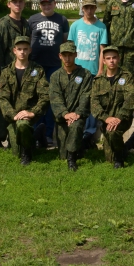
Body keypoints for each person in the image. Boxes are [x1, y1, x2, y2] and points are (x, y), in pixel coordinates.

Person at [0, 35, 48, 166]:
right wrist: (14, 115)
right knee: (15, 151)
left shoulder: (38, 70)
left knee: (23, 126)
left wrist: (32, 112)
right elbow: (2, 98)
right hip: (13, 115)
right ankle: (36, 135)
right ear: (14, 51)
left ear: (30, 50)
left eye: (25, 49)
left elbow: (45, 96)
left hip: (30, 113)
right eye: (19, 49)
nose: (22, 52)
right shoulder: (6, 72)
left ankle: (27, 153)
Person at [0, 0, 32, 149]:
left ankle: (14, 135)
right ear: (9, 4)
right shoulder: (4, 24)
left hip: (23, 69)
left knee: (20, 102)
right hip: (7, 71)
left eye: (21, 1)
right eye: (15, 2)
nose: (18, 4)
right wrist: (0, 72)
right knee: (2, 104)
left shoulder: (26, 24)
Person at [29, 0, 71, 150]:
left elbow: (65, 41)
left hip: (54, 64)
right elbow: (27, 40)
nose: (46, 6)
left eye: (49, 3)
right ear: (40, 5)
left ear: (54, 4)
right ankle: (36, 131)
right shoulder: (33, 19)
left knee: (52, 99)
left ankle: (48, 133)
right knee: (37, 98)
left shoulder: (62, 20)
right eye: (43, 4)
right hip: (36, 65)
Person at [89, 46, 134, 168]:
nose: (111, 61)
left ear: (118, 59)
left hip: (123, 119)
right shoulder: (98, 80)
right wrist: (106, 118)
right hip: (105, 120)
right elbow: (94, 103)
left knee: (113, 134)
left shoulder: (126, 76)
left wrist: (119, 117)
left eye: (114, 58)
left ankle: (119, 159)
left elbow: (131, 99)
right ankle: (132, 142)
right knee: (109, 158)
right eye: (108, 58)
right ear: (104, 61)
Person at [48, 41, 94, 171]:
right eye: (64, 55)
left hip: (78, 116)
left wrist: (77, 113)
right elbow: (55, 98)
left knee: (75, 127)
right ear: (60, 56)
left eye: (70, 55)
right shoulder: (55, 76)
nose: (67, 59)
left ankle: (72, 159)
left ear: (76, 55)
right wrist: (65, 114)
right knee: (62, 154)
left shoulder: (85, 74)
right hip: (62, 118)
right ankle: (79, 147)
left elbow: (86, 95)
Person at [68, 0, 108, 75]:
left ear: (95, 8)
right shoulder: (75, 26)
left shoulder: (101, 27)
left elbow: (102, 51)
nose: (89, 11)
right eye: (86, 8)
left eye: (92, 8)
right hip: (77, 69)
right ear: (82, 8)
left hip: (93, 70)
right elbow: (70, 49)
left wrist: (100, 70)